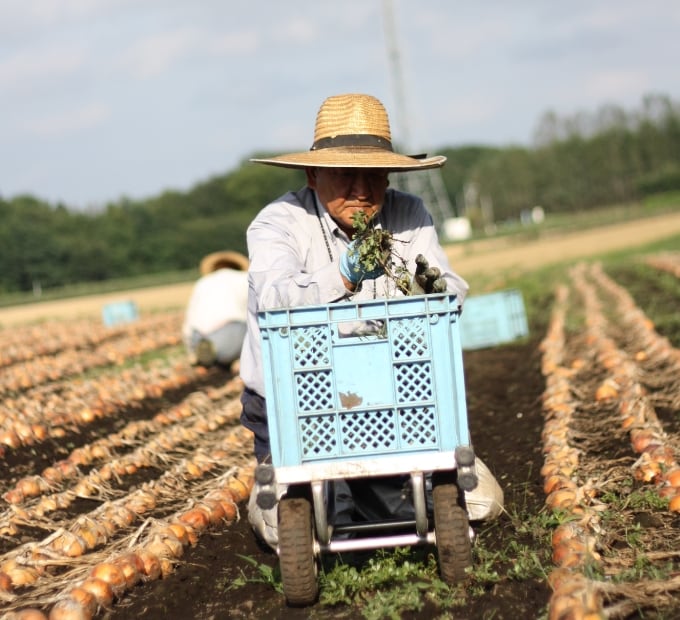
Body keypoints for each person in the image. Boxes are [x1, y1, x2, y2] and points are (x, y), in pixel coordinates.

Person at [239, 93, 504, 548]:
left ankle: (372, 491)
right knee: (300, 526)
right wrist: (343, 274)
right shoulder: (277, 224)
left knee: (483, 505)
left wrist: (429, 285)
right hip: (299, 405)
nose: (362, 190)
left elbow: (451, 289)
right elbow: (274, 297)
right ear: (312, 174)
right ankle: (296, 492)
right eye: (346, 175)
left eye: (374, 176)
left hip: (391, 399)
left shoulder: (407, 214)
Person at [182, 250, 249, 368]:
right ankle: (235, 357)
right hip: (229, 332)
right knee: (249, 320)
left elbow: (189, 320)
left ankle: (205, 352)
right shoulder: (245, 278)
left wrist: (190, 350)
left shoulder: (202, 282)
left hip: (198, 335)